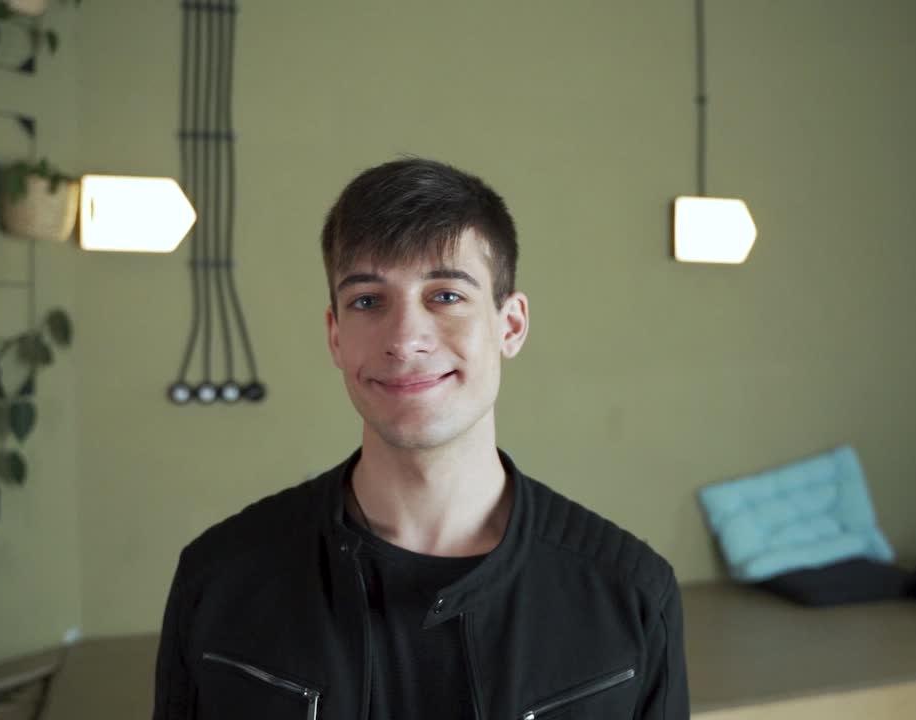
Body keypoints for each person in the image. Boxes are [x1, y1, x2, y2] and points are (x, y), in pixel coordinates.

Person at [153, 158, 689, 719]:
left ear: (511, 325)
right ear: (336, 337)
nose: (406, 339)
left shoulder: (631, 595)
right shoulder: (218, 579)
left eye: (446, 296)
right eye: (367, 301)